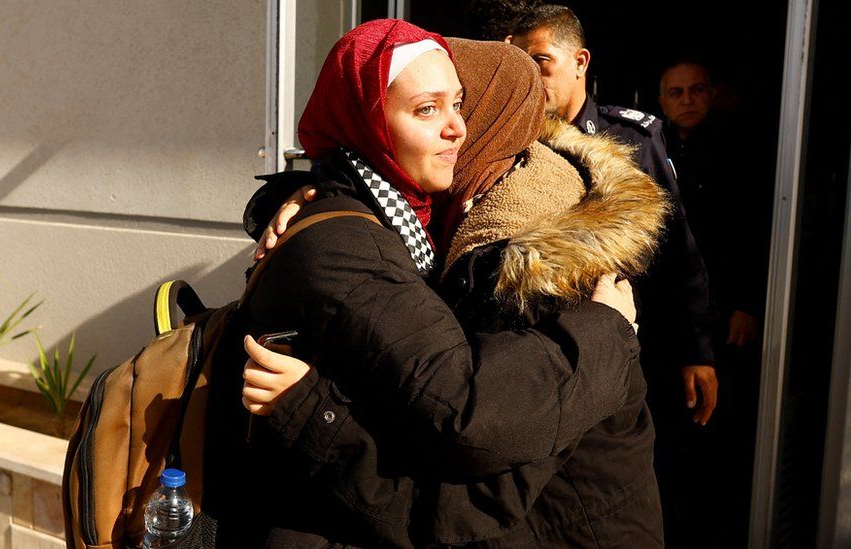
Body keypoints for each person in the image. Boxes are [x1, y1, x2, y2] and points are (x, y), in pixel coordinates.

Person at [198, 21, 655, 548]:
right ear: (367, 122)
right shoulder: (364, 241)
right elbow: (464, 417)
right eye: (427, 108)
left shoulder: (498, 243)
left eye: (460, 104)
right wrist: (609, 328)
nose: (458, 128)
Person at [506, 4, 719, 430]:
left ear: (580, 62)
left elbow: (677, 249)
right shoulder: (510, 140)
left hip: (634, 345)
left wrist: (696, 350)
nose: (530, 75)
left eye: (541, 62)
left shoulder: (632, 140)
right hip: (545, 352)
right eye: (520, 63)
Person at [658, 60, 772, 547]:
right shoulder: (651, 148)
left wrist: (748, 302)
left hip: (726, 306)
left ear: (713, 94)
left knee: (719, 417)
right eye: (677, 92)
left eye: (697, 90)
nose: (688, 100)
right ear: (661, 101)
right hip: (673, 310)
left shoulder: (741, 150)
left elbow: (755, 231)